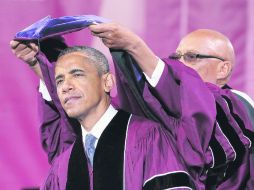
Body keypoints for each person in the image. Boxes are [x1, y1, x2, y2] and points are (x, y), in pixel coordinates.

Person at [88, 23, 254, 189]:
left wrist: (135, 46)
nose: (180, 64)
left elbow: (192, 100)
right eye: (176, 58)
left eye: (191, 57)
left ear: (223, 69)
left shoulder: (237, 104)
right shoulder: (166, 107)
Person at [11, 42, 196, 189]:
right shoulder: (63, 164)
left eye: (77, 74)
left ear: (107, 82)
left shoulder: (147, 138)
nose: (66, 86)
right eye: (59, 81)